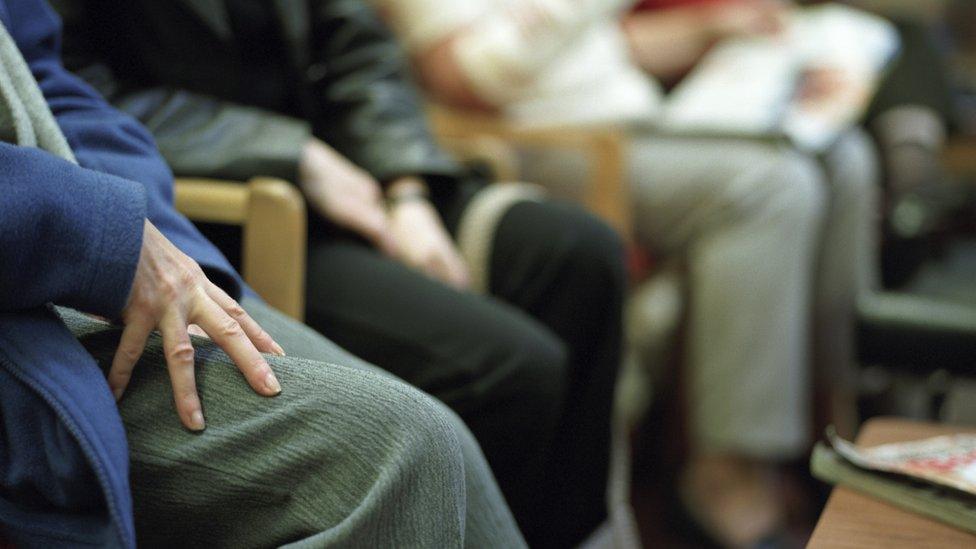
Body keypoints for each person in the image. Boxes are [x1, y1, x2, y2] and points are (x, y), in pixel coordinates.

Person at [56, 1, 628, 546]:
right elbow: (73, 92)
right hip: (239, 201)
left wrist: (406, 188)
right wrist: (296, 155)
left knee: (581, 254)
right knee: (511, 368)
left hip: (358, 167)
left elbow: (361, 49)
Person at [371, 0, 881, 545]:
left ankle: (838, 419)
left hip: (634, 121)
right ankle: (729, 476)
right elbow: (469, 80)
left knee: (844, 154)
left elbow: (607, 50)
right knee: (772, 187)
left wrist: (710, 31)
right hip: (541, 140)